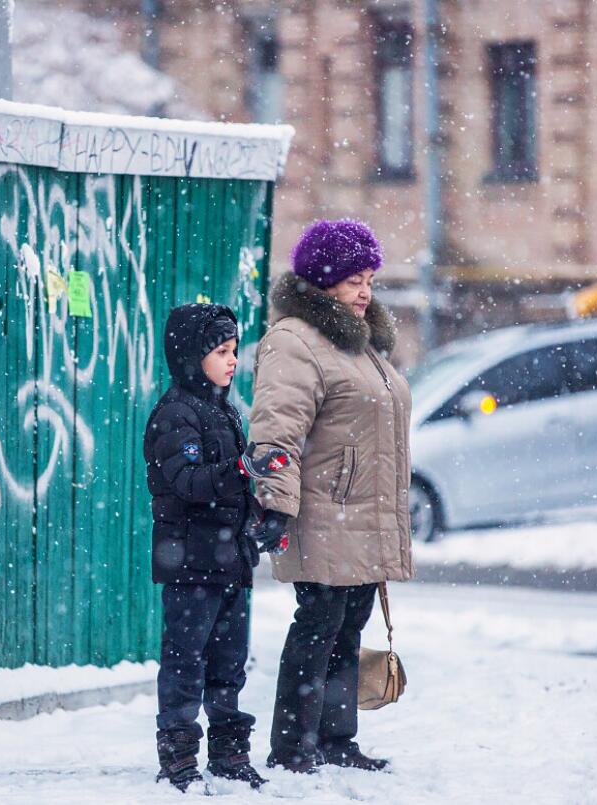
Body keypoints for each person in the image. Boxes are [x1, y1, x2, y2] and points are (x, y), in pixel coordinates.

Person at [248, 219, 414, 774]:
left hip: (362, 515)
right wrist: (275, 503)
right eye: (351, 280)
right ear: (322, 282)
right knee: (318, 623)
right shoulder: (295, 343)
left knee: (349, 625)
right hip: (323, 511)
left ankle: (337, 740)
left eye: (368, 278)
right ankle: (294, 747)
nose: (364, 290)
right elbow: (277, 432)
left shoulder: (360, 343)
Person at [143, 303, 290, 792]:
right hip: (190, 563)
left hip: (230, 563)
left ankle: (229, 753)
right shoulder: (175, 413)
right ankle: (179, 756)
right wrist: (242, 469)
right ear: (191, 355)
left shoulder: (223, 409)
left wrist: (262, 519)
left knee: (229, 662)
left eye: (233, 351)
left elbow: (232, 489)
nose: (232, 361)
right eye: (222, 351)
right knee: (186, 662)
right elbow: (186, 483)